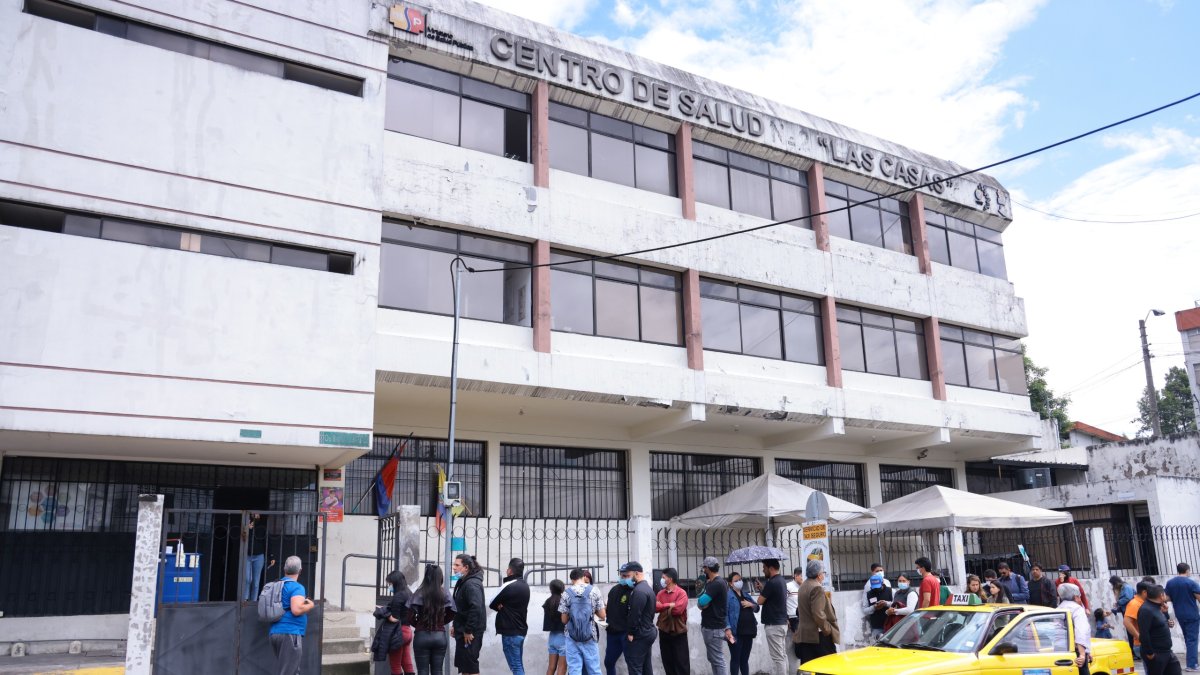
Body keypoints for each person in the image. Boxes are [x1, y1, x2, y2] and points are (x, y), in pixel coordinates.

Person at [269, 555, 313, 675]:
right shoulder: (297, 587)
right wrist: (310, 605)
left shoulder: (276, 585)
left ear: (284, 569)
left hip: (275, 632)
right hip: (290, 633)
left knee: (291, 670)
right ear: (300, 570)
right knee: (289, 672)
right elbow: (296, 610)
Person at [408, 565, 456, 675]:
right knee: (438, 671)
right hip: (439, 636)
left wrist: (418, 624)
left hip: (421, 636)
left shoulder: (419, 593)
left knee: (422, 671)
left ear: (426, 576)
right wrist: (441, 622)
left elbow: (409, 615)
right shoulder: (445, 593)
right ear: (440, 577)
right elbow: (453, 611)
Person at [559, 567, 606, 675]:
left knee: (574, 669)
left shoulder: (566, 593)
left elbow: (564, 620)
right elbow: (603, 615)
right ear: (583, 577)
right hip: (590, 635)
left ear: (572, 579)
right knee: (594, 669)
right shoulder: (594, 590)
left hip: (571, 636)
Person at [491, 557, 531, 675]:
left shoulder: (508, 585)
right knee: (519, 665)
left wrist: (500, 605)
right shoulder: (525, 586)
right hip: (520, 631)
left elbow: (492, 602)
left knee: (516, 667)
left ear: (509, 571)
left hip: (510, 632)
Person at [794, 560, 838, 664]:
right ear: (819, 575)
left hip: (805, 635)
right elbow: (818, 613)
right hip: (818, 636)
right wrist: (827, 630)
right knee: (828, 666)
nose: (824, 575)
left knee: (809, 667)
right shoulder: (817, 588)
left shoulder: (803, 586)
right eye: (824, 573)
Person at [372, 570, 415, 675]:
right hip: (408, 632)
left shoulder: (399, 596)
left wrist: (382, 612)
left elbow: (394, 618)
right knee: (406, 662)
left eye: (390, 584)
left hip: (398, 633)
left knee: (395, 664)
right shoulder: (409, 593)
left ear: (396, 582)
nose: (389, 586)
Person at [697, 556, 732, 675]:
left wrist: (701, 603)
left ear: (708, 568)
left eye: (704, 568)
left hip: (713, 628)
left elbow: (701, 602)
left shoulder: (716, 584)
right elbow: (703, 604)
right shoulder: (714, 583)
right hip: (712, 627)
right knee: (713, 659)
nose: (703, 571)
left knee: (717, 660)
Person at [451, 554, 486, 675]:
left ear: (466, 567)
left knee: (470, 664)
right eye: (454, 564)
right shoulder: (463, 581)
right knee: (464, 665)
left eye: (457, 565)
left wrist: (468, 630)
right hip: (462, 629)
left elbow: (475, 608)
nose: (454, 567)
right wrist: (455, 625)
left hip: (470, 633)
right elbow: (461, 607)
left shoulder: (471, 584)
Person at [622, 562, 657, 675]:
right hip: (647, 631)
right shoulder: (646, 588)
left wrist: (631, 633)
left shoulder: (639, 591)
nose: (626, 578)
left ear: (636, 573)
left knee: (635, 667)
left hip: (640, 634)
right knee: (646, 667)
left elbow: (635, 614)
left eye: (628, 575)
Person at [1140, 585, 1183, 675]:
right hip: (1156, 653)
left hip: (1167, 651)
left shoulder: (1159, 607)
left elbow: (1161, 624)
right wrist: (1150, 654)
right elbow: (1144, 633)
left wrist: (1166, 614)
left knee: (1176, 671)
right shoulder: (1146, 610)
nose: (1166, 596)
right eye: (1164, 594)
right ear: (1161, 596)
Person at [756, 558, 789, 674]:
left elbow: (759, 601)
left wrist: (762, 591)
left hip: (774, 626)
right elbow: (772, 597)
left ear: (771, 568)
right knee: (782, 655)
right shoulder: (781, 581)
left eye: (764, 568)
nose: (763, 570)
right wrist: (763, 589)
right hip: (781, 623)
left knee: (778, 658)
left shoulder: (772, 582)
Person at [1165, 562, 1200, 672]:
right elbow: (1198, 597)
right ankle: (1192, 664)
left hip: (1179, 614)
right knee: (1192, 639)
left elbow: (1167, 598)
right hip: (1191, 614)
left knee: (1187, 638)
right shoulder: (1191, 583)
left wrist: (1177, 597)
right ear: (1187, 570)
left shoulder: (1170, 583)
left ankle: (1191, 662)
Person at [655, 568, 689, 675]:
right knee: (667, 662)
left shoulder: (681, 593)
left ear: (670, 579)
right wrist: (671, 605)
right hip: (664, 631)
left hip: (678, 633)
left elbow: (678, 610)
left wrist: (664, 606)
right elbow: (656, 607)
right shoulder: (660, 593)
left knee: (681, 663)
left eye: (663, 577)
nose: (661, 579)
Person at [727, 571, 758, 675]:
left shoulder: (746, 595)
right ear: (731, 583)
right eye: (736, 581)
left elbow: (757, 608)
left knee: (744, 660)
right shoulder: (728, 596)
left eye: (740, 580)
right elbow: (724, 614)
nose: (739, 582)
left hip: (749, 632)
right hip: (736, 633)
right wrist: (728, 629)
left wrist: (751, 604)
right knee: (736, 659)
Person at [604, 564, 633, 675]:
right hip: (612, 632)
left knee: (631, 663)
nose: (624, 578)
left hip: (626, 633)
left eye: (626, 575)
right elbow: (608, 608)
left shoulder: (635, 591)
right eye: (622, 575)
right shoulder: (614, 590)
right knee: (608, 662)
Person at [1059, 583, 1093, 675]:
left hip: (1060, 651)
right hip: (1076, 652)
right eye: (1079, 596)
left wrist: (1087, 651)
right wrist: (1082, 654)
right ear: (1076, 597)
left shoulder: (1058, 608)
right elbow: (1081, 631)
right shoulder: (1077, 609)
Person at [244, 513, 276, 601]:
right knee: (247, 579)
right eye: (254, 514)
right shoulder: (245, 525)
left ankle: (253, 600)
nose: (255, 516)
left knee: (256, 581)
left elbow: (267, 542)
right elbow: (242, 539)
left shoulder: (262, 527)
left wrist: (271, 556)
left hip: (259, 556)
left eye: (257, 514)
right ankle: (245, 599)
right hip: (247, 556)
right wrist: (248, 529)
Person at [1125, 579, 1155, 662]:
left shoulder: (1144, 602)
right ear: (1144, 592)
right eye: (1151, 591)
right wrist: (1139, 637)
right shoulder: (1134, 604)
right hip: (1142, 644)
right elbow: (1127, 622)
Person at [543, 580, 567, 675]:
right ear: (562, 589)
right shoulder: (564, 602)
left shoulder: (547, 602)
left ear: (551, 589)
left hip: (552, 637)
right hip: (563, 638)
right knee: (562, 667)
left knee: (551, 667)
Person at [864, 570, 894, 638]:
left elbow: (896, 604)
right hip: (877, 626)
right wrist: (874, 607)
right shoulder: (868, 594)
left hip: (891, 624)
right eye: (874, 587)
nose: (876, 588)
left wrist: (886, 603)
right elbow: (865, 610)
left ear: (882, 582)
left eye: (878, 586)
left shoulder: (891, 591)